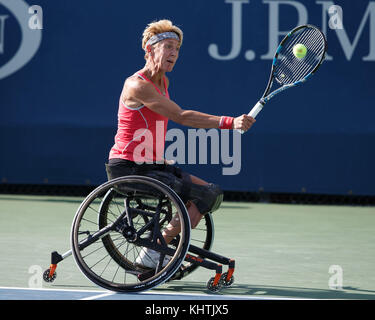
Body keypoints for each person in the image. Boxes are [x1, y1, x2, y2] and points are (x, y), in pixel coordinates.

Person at [105, 19, 256, 269]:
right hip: (128, 167)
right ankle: (153, 252)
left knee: (210, 193)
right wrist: (229, 122)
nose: (174, 53)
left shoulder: (163, 82)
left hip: (149, 164)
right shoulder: (137, 85)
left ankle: (161, 243)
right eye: (167, 46)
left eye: (177, 48)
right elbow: (180, 116)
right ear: (149, 50)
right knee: (198, 193)